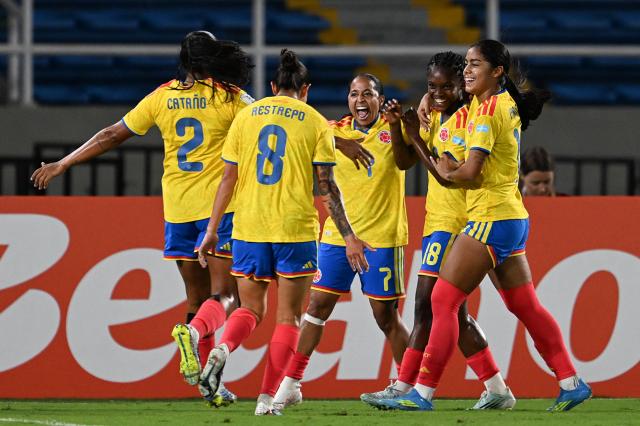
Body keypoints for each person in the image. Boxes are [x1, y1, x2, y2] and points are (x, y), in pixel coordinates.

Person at [30, 30, 253, 406]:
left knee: (197, 298)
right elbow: (271, 124)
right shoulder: (231, 98)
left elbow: (111, 134)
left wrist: (63, 162)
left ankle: (209, 383)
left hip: (177, 212)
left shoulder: (162, 97)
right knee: (226, 295)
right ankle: (195, 336)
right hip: (220, 211)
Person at [379, 39, 591, 412]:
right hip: (510, 217)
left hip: (489, 217)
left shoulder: (489, 112)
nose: (467, 70)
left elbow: (471, 172)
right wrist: (428, 102)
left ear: (497, 72)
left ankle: (422, 392)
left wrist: (446, 169)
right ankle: (570, 381)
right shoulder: (493, 103)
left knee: (442, 301)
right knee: (525, 305)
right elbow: (451, 101)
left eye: (476, 64)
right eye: (466, 64)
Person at [193, 49, 370, 415]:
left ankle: (222, 350)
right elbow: (327, 187)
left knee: (250, 309)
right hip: (293, 229)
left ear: (273, 86)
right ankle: (266, 399)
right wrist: (349, 234)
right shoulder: (315, 122)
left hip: (248, 227)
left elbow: (228, 177)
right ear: (305, 89)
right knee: (288, 318)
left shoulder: (246, 117)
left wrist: (211, 230)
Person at [361, 52, 513, 410]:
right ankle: (497, 388)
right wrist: (401, 127)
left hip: (457, 222)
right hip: (436, 222)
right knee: (453, 314)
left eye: (448, 86)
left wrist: (414, 133)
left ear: (464, 82)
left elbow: (446, 176)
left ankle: (404, 385)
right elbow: (403, 161)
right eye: (433, 87)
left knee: (425, 304)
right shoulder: (436, 114)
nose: (440, 93)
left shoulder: (471, 118)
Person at [271, 73, 411, 413]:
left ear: (380, 99)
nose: (360, 100)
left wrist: (394, 126)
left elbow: (406, 161)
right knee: (316, 308)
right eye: (353, 94)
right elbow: (301, 136)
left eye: (368, 94)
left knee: (385, 315)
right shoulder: (333, 129)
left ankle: (408, 385)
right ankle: (291, 384)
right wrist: (342, 143)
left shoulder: (398, 129)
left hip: (382, 238)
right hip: (337, 236)